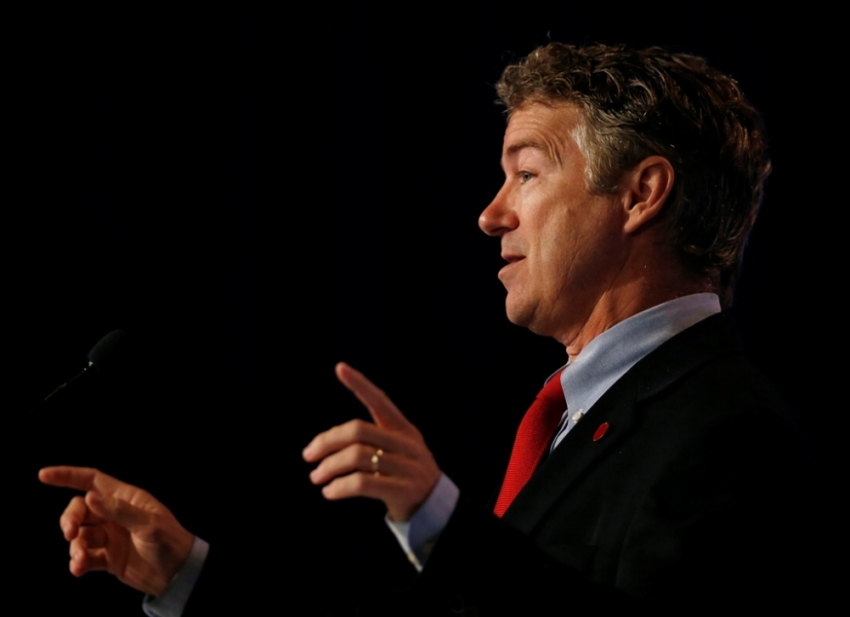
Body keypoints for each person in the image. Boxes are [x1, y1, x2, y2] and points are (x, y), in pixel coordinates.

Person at [40, 42, 815, 615]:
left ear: (641, 193)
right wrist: (187, 574)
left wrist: (439, 517)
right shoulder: (581, 419)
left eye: (528, 172)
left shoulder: (727, 429)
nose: (491, 213)